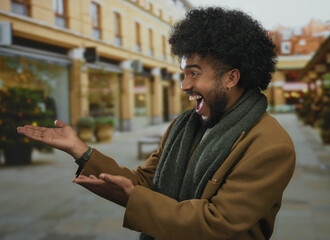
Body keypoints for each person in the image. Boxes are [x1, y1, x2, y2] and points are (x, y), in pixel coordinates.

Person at [17, 7, 296, 240]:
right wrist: (80, 150)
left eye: (194, 73)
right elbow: (144, 182)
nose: (185, 85)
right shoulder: (184, 126)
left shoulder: (270, 146)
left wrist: (134, 199)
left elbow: (218, 223)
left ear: (231, 78)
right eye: (183, 74)